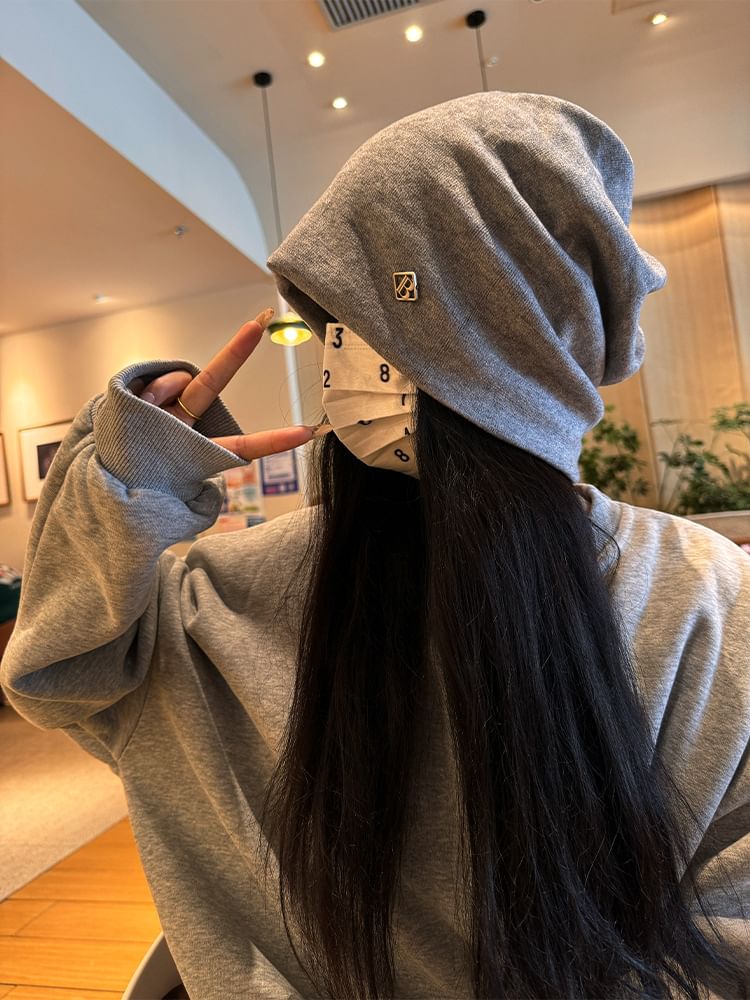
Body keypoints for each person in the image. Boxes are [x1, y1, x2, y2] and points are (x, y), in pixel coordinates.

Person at [1, 91, 749, 1000]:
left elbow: (64, 675)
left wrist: (128, 482)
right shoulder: (219, 599)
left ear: (499, 350)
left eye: (370, 322)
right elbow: (57, 675)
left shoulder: (708, 605)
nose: (336, 362)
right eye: (331, 324)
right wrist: (127, 476)